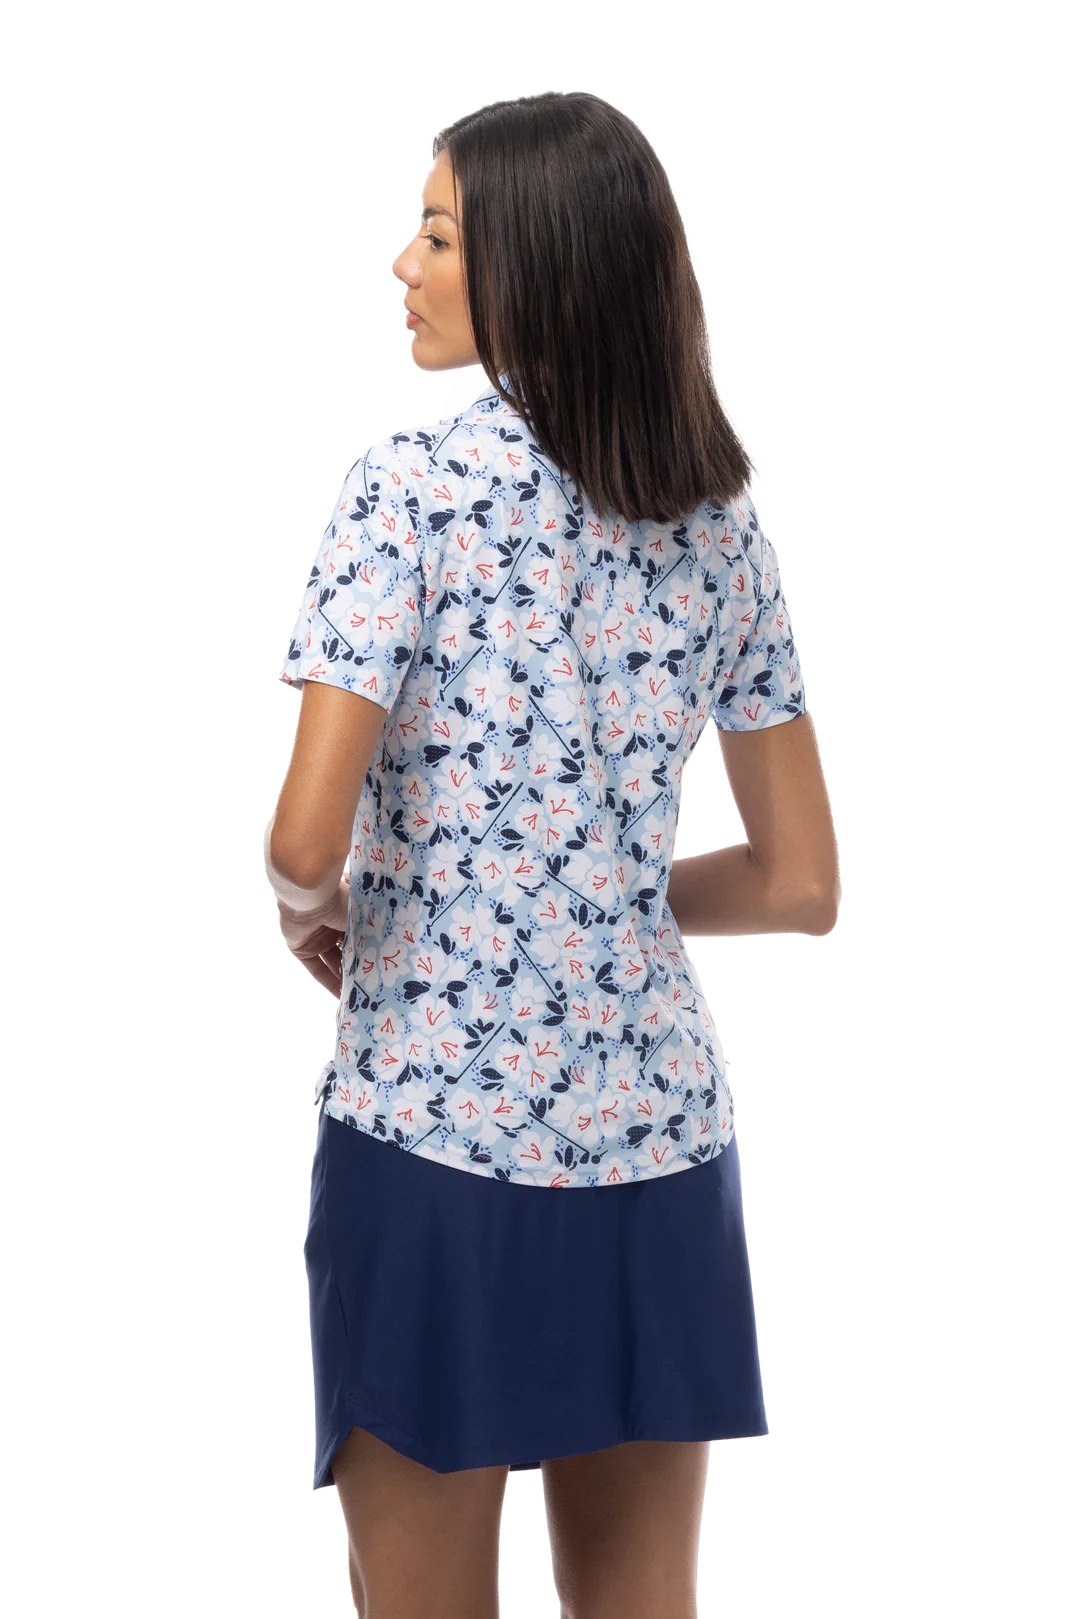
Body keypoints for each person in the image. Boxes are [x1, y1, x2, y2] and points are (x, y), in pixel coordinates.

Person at [264, 92, 841, 1619]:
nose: (403, 263)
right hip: (657, 1147)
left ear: (540, 259)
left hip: (433, 1142)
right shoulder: (717, 520)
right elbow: (800, 884)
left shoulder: (407, 492)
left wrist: (313, 904)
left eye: (438, 235)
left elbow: (306, 834)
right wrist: (600, 886)